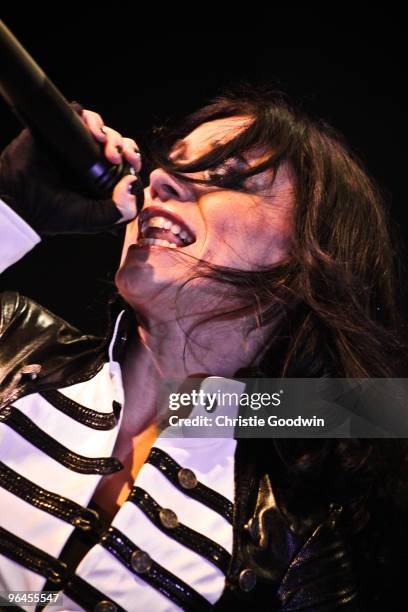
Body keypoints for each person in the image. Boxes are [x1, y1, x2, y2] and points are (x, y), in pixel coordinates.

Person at [0, 88, 406, 611]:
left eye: (226, 178)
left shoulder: (296, 538)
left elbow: (375, 410)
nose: (159, 180)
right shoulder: (12, 335)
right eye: (170, 165)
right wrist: (8, 209)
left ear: (310, 258)